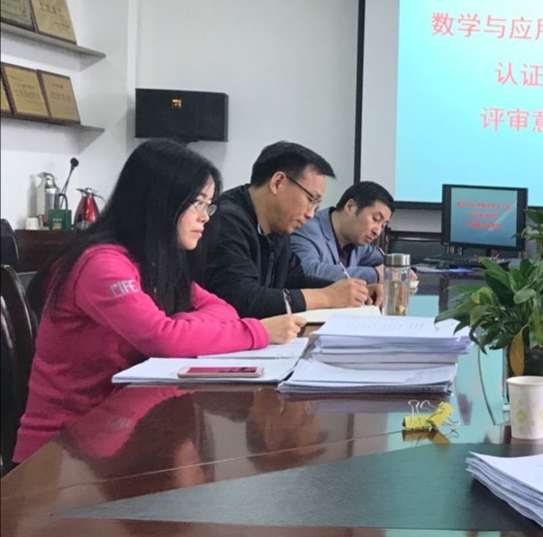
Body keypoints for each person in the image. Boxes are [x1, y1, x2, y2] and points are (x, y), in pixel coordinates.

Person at [13, 140, 303, 464]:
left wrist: (178, 325)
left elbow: (223, 310)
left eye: (208, 205)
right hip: (57, 455)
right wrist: (258, 332)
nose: (205, 218)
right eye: (197, 204)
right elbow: (163, 339)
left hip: (117, 433)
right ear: (158, 203)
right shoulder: (102, 264)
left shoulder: (154, 261)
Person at [204, 141, 371, 318]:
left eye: (316, 205)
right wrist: (327, 297)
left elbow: (294, 280)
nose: (311, 214)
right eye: (311, 200)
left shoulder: (278, 226)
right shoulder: (226, 220)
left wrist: (353, 293)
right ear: (278, 182)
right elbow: (242, 299)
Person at [292, 181, 396, 283]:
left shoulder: (359, 243)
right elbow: (306, 271)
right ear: (350, 207)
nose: (377, 232)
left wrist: (403, 269)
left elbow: (389, 263)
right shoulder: (307, 228)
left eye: (383, 225)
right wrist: (375, 274)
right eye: (376, 219)